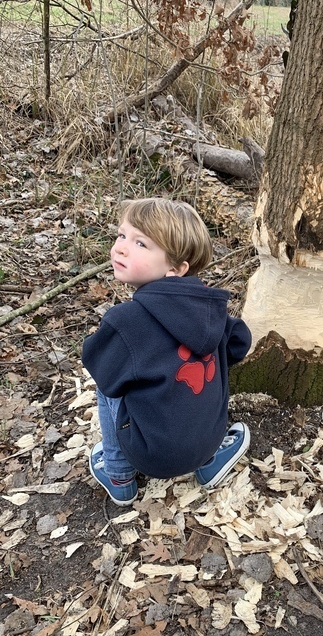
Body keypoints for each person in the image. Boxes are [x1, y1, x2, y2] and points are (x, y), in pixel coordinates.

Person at [82, 197, 252, 506]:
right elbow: (240, 340)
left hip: (152, 456)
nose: (121, 247)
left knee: (107, 384)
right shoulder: (210, 310)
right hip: (207, 438)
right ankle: (208, 460)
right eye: (122, 236)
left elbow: (97, 363)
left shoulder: (126, 322)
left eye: (141, 244)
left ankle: (119, 474)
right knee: (211, 363)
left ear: (176, 268)